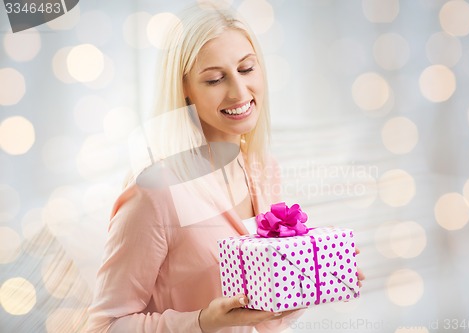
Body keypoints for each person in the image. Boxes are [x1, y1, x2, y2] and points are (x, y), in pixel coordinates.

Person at [86, 3, 364, 333]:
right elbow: (104, 326)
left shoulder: (262, 169)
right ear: (185, 89)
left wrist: (307, 283)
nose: (239, 92)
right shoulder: (156, 191)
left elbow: (261, 321)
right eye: (215, 79)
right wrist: (203, 322)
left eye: (246, 69)